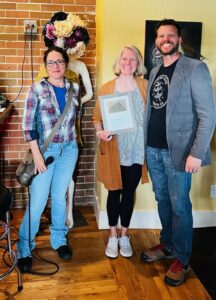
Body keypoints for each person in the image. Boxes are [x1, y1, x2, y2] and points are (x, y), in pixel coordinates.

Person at [140, 19, 216, 286]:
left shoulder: (195, 69)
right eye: (161, 36)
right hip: (153, 149)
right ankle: (168, 244)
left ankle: (182, 259)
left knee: (180, 206)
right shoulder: (155, 70)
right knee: (163, 200)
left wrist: (197, 152)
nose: (165, 40)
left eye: (170, 35)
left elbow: (208, 115)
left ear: (179, 39)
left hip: (181, 153)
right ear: (157, 41)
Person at [17, 46, 80, 273]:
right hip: (45, 152)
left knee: (60, 196)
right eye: (51, 62)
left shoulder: (74, 88)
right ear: (45, 66)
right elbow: (27, 127)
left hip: (69, 149)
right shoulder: (36, 89)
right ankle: (24, 248)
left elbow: (74, 121)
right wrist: (37, 156)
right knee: (38, 201)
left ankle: (59, 239)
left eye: (60, 61)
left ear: (66, 64)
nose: (56, 66)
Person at [92, 45, 149, 259]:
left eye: (132, 59)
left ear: (138, 63)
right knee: (114, 191)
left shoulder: (145, 85)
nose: (128, 63)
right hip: (113, 149)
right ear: (118, 62)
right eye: (124, 58)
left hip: (136, 150)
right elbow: (97, 118)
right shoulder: (107, 88)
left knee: (129, 193)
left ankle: (125, 235)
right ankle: (112, 235)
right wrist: (100, 132)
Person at [38, 11, 93, 228]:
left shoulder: (78, 66)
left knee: (69, 170)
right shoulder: (48, 66)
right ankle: (50, 210)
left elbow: (88, 93)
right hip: (49, 129)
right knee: (48, 169)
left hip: (72, 125)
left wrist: (76, 103)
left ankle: (69, 211)